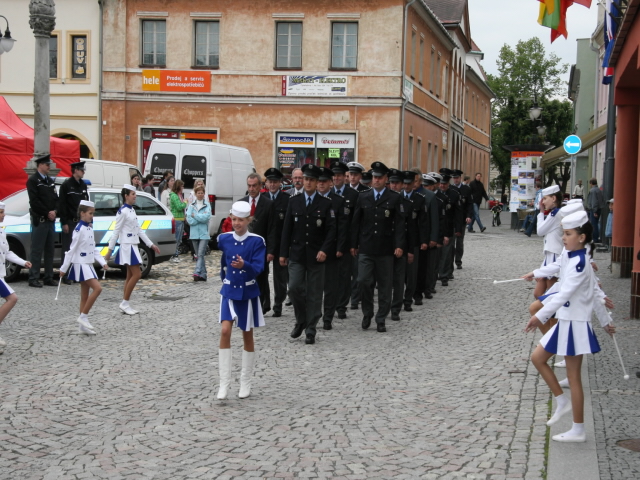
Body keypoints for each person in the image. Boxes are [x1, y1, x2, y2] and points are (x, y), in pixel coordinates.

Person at [523, 211, 615, 442]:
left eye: (568, 234)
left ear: (581, 237)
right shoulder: (573, 256)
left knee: (573, 377)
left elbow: (569, 292)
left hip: (574, 324)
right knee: (538, 358)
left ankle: (578, 428)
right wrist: (605, 321)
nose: (564, 238)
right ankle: (562, 401)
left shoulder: (580, 262)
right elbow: (593, 293)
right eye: (563, 233)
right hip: (566, 321)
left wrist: (540, 316)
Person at [280, 164, 336, 344]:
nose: (309, 182)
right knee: (294, 288)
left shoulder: (326, 203)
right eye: (306, 179)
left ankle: (311, 328)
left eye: (312, 179)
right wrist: (283, 252)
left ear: (316, 182)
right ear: (302, 181)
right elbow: (287, 229)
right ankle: (301, 319)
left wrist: (324, 250)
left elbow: (331, 231)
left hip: (316, 256)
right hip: (297, 254)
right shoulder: (294, 201)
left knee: (314, 293)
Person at [217, 201, 266, 400]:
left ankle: (245, 382)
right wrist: (225, 277)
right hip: (228, 290)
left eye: (241, 220)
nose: (237, 223)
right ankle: (224, 383)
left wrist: (245, 265)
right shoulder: (223, 239)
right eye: (234, 219)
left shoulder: (257, 241)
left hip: (247, 294)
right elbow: (223, 263)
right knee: (225, 330)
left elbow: (259, 268)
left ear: (248, 220)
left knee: (247, 334)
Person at [350, 161, 405, 333]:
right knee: (363, 281)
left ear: (385, 179)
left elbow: (400, 224)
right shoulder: (363, 196)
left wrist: (399, 245)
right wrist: (353, 244)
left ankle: (381, 318)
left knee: (384, 285)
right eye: (374, 177)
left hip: (385, 248)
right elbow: (356, 222)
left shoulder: (394, 198)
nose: (376, 180)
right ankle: (367, 313)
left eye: (380, 178)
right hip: (366, 247)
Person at [105, 184, 161, 315]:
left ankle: (125, 303)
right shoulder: (122, 211)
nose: (135, 196)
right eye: (133, 194)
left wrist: (150, 244)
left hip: (133, 245)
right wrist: (109, 250)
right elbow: (116, 231)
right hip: (127, 246)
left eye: (135, 194)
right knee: (137, 274)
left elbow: (139, 230)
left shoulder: (131, 210)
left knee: (130, 275)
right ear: (126, 196)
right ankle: (124, 302)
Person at [59, 200, 109, 335]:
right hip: (81, 264)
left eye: (93, 213)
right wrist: (63, 268)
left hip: (88, 263)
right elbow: (71, 250)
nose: (92, 216)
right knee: (98, 288)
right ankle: (83, 317)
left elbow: (93, 248)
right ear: (82, 213)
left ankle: (82, 327)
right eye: (90, 213)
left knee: (84, 296)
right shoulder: (78, 229)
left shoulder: (89, 227)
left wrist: (102, 261)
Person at [317, 167, 348, 330]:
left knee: (330, 286)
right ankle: (315, 314)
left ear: (330, 183)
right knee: (314, 286)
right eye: (319, 181)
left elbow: (342, 227)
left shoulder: (338, 200)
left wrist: (340, 247)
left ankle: (328, 316)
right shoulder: (312, 199)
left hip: (332, 249)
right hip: (314, 249)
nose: (321, 185)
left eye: (324, 182)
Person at [241, 173, 276, 314]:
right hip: (245, 248)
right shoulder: (241, 203)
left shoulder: (268, 204)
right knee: (245, 277)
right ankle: (247, 304)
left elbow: (272, 229)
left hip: (261, 249)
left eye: (254, 185)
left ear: (260, 186)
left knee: (261, 278)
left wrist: (271, 251)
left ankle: (259, 307)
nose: (251, 188)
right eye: (249, 186)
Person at [0, 202, 32, 354]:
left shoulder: (2, 231)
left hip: (1, 274)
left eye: (3, 212)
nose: (3, 215)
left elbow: (7, 253)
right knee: (12, 298)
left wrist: (22, 262)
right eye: (0, 212)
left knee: (12, 299)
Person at [331, 161, 359, 320]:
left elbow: (355, 223)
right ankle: (331, 304)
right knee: (331, 277)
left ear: (345, 177)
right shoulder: (327, 193)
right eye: (334, 175)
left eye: (339, 175)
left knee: (344, 276)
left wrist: (354, 244)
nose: (336, 178)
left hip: (347, 243)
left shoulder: (353, 195)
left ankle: (341, 306)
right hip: (330, 242)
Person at [26, 154, 59, 288]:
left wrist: (55, 211)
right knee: (37, 251)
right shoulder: (33, 181)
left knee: (50, 250)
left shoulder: (49, 181)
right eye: (47, 164)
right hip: (40, 220)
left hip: (50, 221)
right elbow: (34, 202)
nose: (49, 167)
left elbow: (56, 199)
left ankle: (48, 277)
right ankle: (33, 277)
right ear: (40, 165)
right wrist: (47, 212)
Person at [388, 169, 415, 321]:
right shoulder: (383, 200)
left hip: (402, 247)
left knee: (399, 280)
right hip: (385, 246)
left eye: (397, 183)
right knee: (385, 280)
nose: (394, 186)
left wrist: (410, 250)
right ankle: (385, 306)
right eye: (392, 183)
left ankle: (396, 308)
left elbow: (411, 230)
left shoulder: (407, 204)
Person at [263, 168, 290, 317]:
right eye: (270, 181)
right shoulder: (263, 199)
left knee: (280, 278)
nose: (272, 184)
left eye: (275, 182)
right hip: (264, 244)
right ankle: (265, 303)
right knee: (263, 275)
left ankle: (278, 303)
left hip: (280, 244)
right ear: (266, 183)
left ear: (280, 183)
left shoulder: (287, 200)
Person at [58, 161, 89, 285]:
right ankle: (65, 275)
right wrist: (64, 222)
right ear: (75, 170)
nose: (83, 172)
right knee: (68, 249)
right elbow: (62, 205)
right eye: (82, 170)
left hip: (81, 223)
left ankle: (76, 274)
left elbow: (86, 204)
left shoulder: (83, 185)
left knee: (79, 249)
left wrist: (89, 221)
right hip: (70, 222)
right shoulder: (66, 185)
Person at [401, 170, 427, 311]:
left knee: (411, 273)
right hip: (400, 240)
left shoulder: (419, 199)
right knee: (401, 272)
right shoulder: (398, 198)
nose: (406, 186)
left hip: (414, 239)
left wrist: (423, 240)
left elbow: (422, 222)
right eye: (404, 184)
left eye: (408, 184)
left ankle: (408, 299)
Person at [412, 173, 440, 305]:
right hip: (410, 237)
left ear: (420, 182)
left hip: (425, 236)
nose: (413, 183)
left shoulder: (429, 196)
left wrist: (433, 237)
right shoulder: (404, 195)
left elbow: (434, 219)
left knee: (423, 267)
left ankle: (422, 290)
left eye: (416, 181)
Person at [346, 162, 369, 311]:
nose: (353, 177)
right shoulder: (343, 191)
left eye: (355, 175)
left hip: (357, 236)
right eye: (351, 174)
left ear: (360, 176)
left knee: (356, 271)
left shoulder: (365, 192)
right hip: (344, 235)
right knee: (344, 271)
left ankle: (355, 299)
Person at [534, 185, 564, 299]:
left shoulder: (556, 213)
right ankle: (548, 316)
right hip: (549, 255)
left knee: (551, 295)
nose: (543, 202)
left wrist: (541, 212)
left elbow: (540, 231)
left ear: (554, 198)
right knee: (538, 294)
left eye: (545, 198)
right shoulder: (554, 213)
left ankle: (553, 317)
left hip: (555, 255)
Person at [438, 168, 463, 284]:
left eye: (444, 184)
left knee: (447, 252)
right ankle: (441, 272)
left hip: (449, 226)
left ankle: (444, 275)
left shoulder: (454, 194)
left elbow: (458, 214)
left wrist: (458, 229)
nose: (442, 186)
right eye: (441, 183)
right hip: (438, 227)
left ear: (448, 184)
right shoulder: (436, 195)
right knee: (439, 252)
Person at [186, 185, 211, 281]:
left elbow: (207, 218)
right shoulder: (191, 205)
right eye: (198, 193)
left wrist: (195, 216)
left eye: (202, 193)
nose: (200, 194)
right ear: (195, 194)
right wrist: (199, 217)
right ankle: (203, 274)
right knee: (199, 254)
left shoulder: (207, 205)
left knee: (200, 254)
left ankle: (197, 272)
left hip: (204, 233)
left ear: (204, 194)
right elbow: (189, 219)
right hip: (194, 233)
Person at [450, 169, 473, 269]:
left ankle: (458, 261)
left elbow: (469, 204)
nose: (455, 180)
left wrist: (468, 216)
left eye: (457, 178)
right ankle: (449, 261)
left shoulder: (466, 189)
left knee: (459, 242)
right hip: (452, 220)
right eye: (454, 178)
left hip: (462, 219)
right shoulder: (450, 189)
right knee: (451, 242)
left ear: (460, 178)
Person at [169, 179, 189, 262]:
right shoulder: (174, 195)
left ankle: (175, 253)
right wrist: (185, 203)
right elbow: (179, 207)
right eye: (182, 186)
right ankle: (174, 254)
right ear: (178, 186)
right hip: (176, 219)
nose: (183, 187)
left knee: (179, 238)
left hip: (180, 218)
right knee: (176, 238)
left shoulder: (179, 195)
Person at [587, 178, 605, 243]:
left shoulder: (592, 191)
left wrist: (594, 211)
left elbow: (594, 201)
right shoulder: (599, 190)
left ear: (591, 183)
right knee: (597, 224)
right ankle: (597, 237)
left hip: (594, 209)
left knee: (594, 224)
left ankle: (595, 238)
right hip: (599, 208)